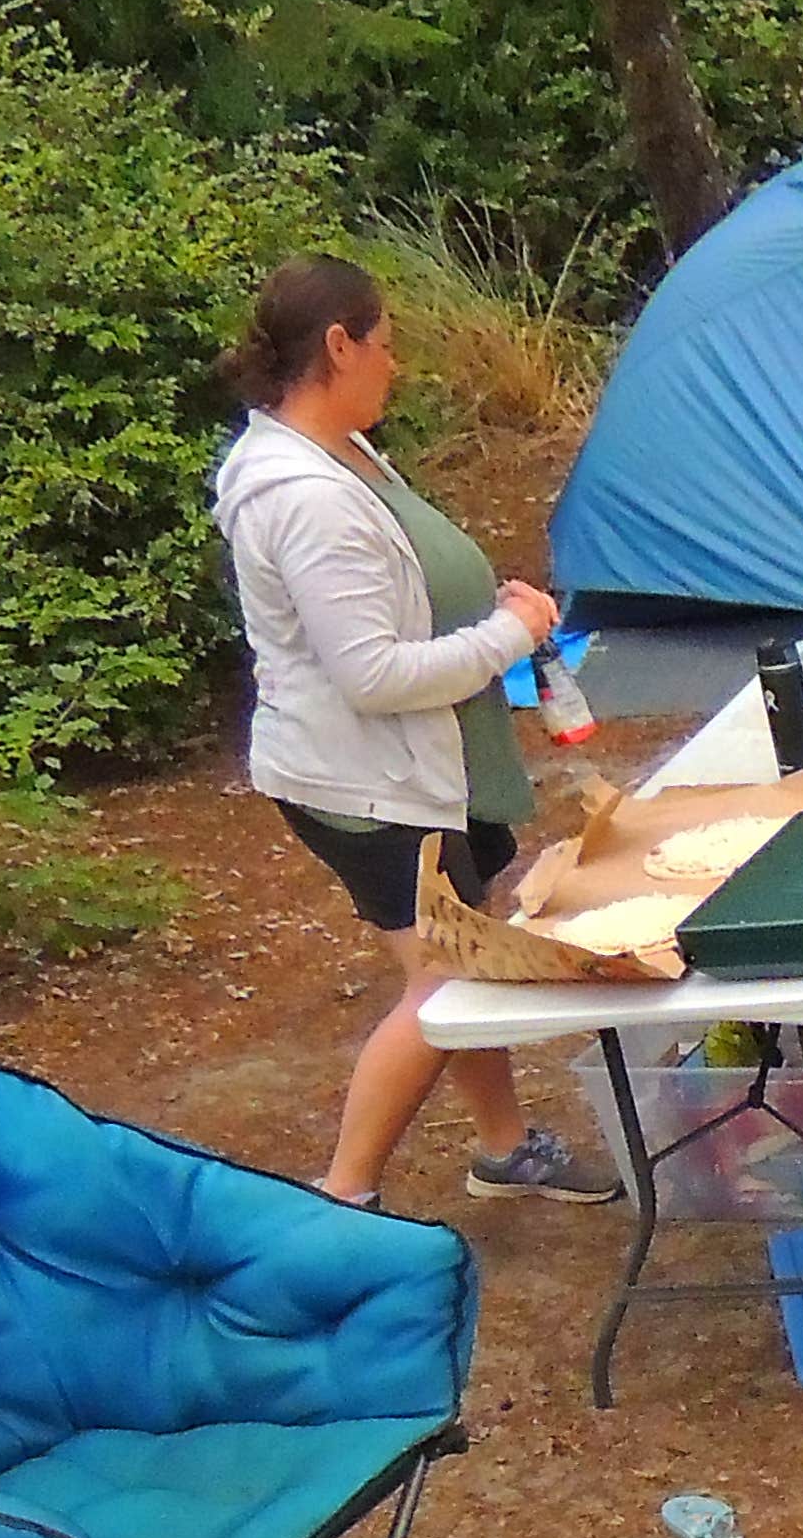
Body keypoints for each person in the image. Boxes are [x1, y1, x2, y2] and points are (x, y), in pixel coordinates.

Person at [212, 255, 617, 1208]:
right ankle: (343, 1200)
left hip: (415, 766)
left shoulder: (340, 448)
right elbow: (374, 675)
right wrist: (504, 637)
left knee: (459, 954)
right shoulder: (301, 496)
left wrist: (485, 613)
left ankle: (505, 1146)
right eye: (386, 346)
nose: (399, 366)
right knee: (448, 992)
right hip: (366, 784)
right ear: (338, 345)